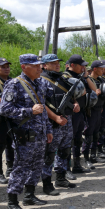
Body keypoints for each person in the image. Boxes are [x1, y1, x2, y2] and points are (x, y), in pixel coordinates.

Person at [0, 54, 54, 209]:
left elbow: (43, 108)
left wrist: (49, 129)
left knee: (37, 165)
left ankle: (30, 195)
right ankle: (13, 201)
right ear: (24, 67)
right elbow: (4, 109)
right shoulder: (14, 84)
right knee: (21, 167)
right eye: (35, 66)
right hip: (25, 135)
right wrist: (29, 111)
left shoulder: (41, 83)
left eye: (39, 65)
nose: (39, 68)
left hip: (41, 133)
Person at [40, 54, 81, 194]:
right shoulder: (41, 81)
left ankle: (61, 178)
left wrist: (75, 104)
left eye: (58, 62)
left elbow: (72, 95)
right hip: (51, 122)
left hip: (67, 119)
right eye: (53, 63)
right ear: (45, 65)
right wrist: (56, 118)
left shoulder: (63, 79)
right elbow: (41, 104)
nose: (57, 65)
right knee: (50, 153)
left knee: (65, 150)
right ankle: (46, 182)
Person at [63, 55, 98, 174]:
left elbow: (94, 90)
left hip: (81, 112)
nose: (84, 67)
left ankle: (77, 165)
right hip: (70, 113)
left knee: (78, 140)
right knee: (68, 141)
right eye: (81, 65)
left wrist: (86, 76)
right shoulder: (65, 77)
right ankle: (66, 168)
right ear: (72, 65)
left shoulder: (80, 76)